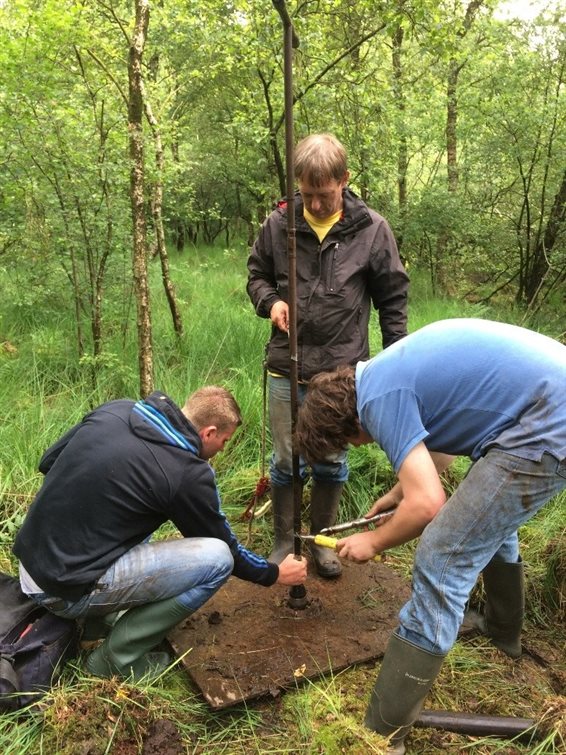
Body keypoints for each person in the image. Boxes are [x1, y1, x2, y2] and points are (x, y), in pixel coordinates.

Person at [294, 318, 566, 753]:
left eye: (352, 443)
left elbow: (428, 505)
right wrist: (398, 493)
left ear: (346, 424)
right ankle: (503, 631)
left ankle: (383, 734)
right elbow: (439, 442)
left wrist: (374, 541)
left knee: (442, 556)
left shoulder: (379, 400)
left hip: (546, 424)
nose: (361, 446)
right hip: (544, 406)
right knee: (487, 520)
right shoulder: (383, 374)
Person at [13, 387, 307, 681]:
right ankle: (114, 662)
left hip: (32, 557)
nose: (223, 449)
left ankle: (96, 625)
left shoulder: (118, 410)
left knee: (128, 512)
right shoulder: (186, 473)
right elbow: (226, 548)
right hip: (61, 590)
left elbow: (48, 462)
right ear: (209, 432)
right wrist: (273, 574)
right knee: (217, 560)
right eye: (224, 441)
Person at [247, 132, 409, 578]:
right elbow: (257, 275)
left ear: (344, 180)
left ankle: (322, 541)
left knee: (332, 460)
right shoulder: (278, 225)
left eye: (325, 194)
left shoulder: (373, 229)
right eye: (307, 194)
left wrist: (396, 363)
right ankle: (285, 541)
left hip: (342, 373)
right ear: (297, 185)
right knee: (284, 459)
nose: (315, 205)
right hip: (286, 364)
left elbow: (392, 300)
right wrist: (270, 302)